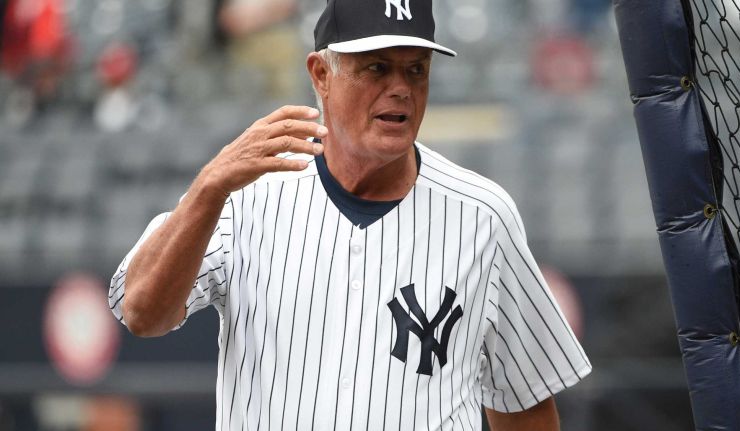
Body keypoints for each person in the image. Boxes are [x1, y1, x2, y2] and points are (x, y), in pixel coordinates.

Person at [108, 0, 591, 429]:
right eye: (377, 68)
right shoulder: (246, 196)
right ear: (321, 75)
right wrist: (209, 187)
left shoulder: (485, 216)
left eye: (416, 70)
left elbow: (524, 404)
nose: (401, 88)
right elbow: (142, 312)